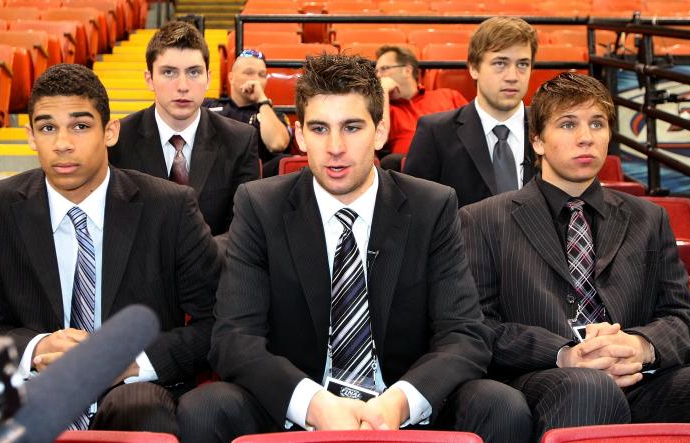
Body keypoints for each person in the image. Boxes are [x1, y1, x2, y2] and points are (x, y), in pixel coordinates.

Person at [177, 53, 526, 443]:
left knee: (501, 404)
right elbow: (234, 338)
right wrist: (316, 405)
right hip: (299, 407)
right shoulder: (260, 206)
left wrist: (397, 403)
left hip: (399, 404)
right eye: (320, 129)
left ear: (380, 131)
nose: (336, 147)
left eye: (352, 127)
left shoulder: (432, 206)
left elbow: (463, 334)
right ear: (301, 134)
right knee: (204, 407)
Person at [0, 64, 222, 436]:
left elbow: (215, 323)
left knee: (141, 409)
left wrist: (129, 362)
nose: (63, 143)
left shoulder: (171, 206)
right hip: (35, 385)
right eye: (48, 127)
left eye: (80, 126)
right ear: (31, 136)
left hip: (135, 391)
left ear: (110, 131)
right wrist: (38, 347)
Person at [459, 71, 690, 441]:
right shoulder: (482, 220)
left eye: (597, 123)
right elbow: (478, 327)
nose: (586, 138)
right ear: (537, 140)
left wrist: (640, 345)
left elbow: (686, 318)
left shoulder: (648, 217)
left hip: (637, 378)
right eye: (568, 124)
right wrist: (566, 354)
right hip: (542, 379)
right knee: (589, 387)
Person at [109, 20, 259, 236]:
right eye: (169, 72)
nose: (182, 86)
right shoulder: (119, 140)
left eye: (194, 72)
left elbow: (242, 231)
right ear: (149, 79)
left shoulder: (240, 140)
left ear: (208, 78)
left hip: (211, 265)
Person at [404, 16, 537, 208]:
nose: (512, 76)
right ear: (474, 68)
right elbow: (415, 211)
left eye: (522, 64)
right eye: (500, 63)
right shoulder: (436, 133)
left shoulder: (549, 126)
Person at [374, 45, 467, 168]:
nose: (378, 76)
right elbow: (377, 140)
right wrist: (383, 91)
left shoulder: (448, 96)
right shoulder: (386, 110)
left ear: (407, 70)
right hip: (411, 175)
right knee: (392, 161)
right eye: (376, 71)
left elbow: (476, 128)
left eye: (384, 69)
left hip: (457, 164)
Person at [204, 48, 292, 177]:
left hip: (256, 184)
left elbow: (277, 144)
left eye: (262, 75)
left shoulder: (272, 115)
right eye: (249, 73)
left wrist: (262, 100)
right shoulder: (209, 106)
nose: (255, 80)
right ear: (231, 77)